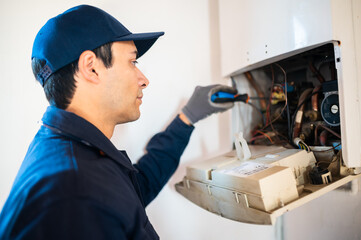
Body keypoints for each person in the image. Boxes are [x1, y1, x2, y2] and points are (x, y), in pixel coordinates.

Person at [0, 5, 236, 240]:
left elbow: (134, 190)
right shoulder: (73, 193)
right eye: (133, 62)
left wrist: (187, 118)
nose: (144, 80)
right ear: (91, 67)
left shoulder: (72, 150)